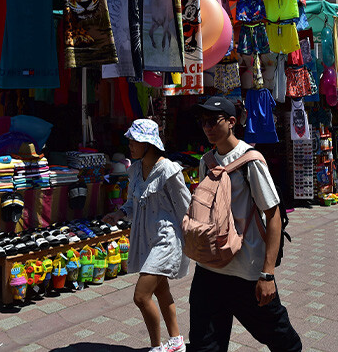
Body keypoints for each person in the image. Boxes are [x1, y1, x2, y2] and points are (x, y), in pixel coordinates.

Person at [188, 96, 302, 352]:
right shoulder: (206, 162)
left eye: (212, 121)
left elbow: (273, 216)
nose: (207, 127)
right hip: (209, 270)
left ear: (231, 122)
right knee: (204, 345)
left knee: (283, 341)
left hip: (247, 273)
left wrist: (267, 274)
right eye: (202, 122)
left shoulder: (251, 161)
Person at [102, 119, 191, 352]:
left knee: (141, 296)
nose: (130, 144)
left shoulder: (169, 170)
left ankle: (157, 347)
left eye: (135, 140)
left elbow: (185, 206)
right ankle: (176, 340)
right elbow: (132, 203)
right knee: (161, 291)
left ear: (149, 143)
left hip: (166, 239)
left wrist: (192, 239)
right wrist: (118, 214)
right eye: (130, 139)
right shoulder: (134, 169)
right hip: (146, 238)